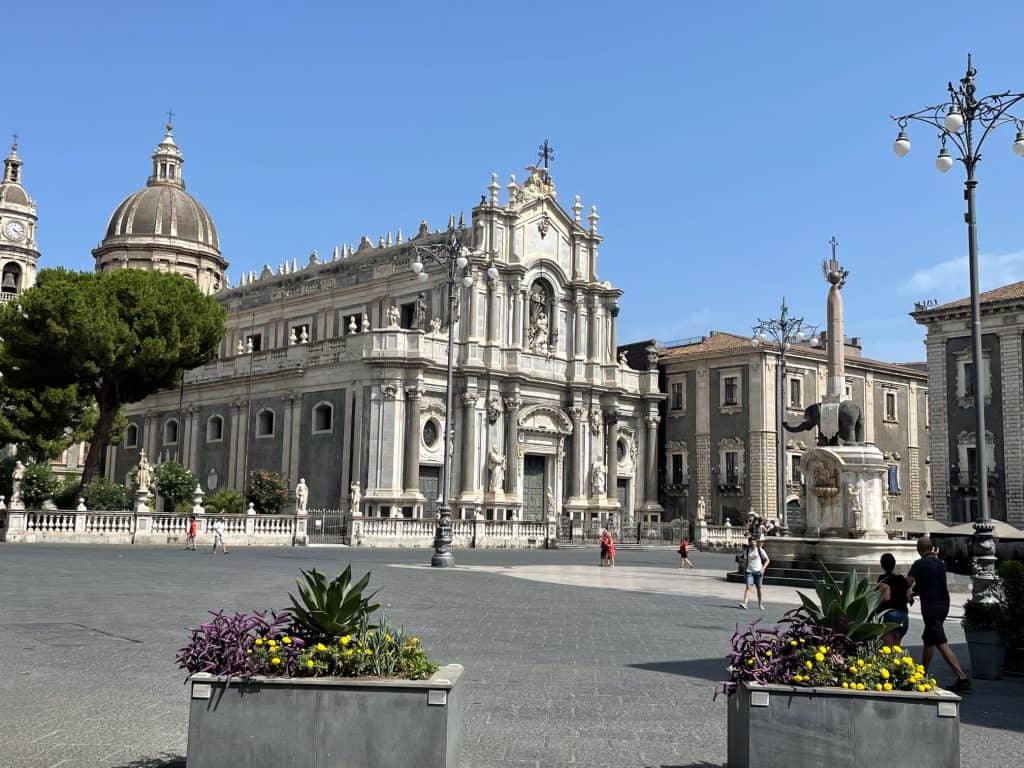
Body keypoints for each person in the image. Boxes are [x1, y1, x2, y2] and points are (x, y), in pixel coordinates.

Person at [906, 536, 970, 692]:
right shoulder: (940, 564)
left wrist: (908, 594)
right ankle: (922, 674)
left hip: (931, 607)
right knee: (929, 640)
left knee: (940, 642)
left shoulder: (919, 564)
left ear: (919, 549)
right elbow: (930, 583)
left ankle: (962, 678)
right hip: (944, 604)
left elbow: (907, 583)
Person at [875, 552, 911, 646]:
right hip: (903, 616)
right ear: (894, 564)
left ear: (882, 565)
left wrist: (874, 604)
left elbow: (886, 596)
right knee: (896, 648)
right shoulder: (901, 579)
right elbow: (908, 597)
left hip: (890, 615)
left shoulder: (883, 579)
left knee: (887, 649)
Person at [738, 536, 770, 610]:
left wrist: (763, 568)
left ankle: (760, 604)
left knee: (759, 588)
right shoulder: (747, 551)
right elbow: (746, 561)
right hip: (749, 571)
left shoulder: (760, 550)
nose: (753, 543)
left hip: (759, 572)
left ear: (756, 543)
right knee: (748, 587)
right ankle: (745, 603)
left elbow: (767, 560)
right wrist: (744, 571)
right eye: (751, 542)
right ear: (749, 543)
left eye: (754, 542)